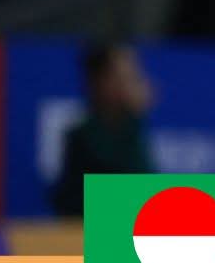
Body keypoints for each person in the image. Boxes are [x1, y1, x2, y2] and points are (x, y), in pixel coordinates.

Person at [50, 41, 155, 217]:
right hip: (92, 228)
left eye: (133, 76)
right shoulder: (84, 136)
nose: (132, 85)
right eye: (122, 77)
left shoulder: (133, 127)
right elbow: (124, 189)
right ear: (99, 82)